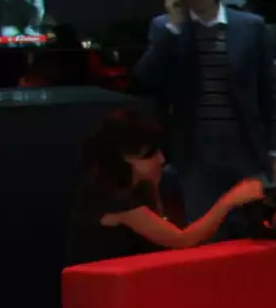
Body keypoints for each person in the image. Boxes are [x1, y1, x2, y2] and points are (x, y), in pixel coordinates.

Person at [134, 0, 276, 233]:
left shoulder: (250, 27)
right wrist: (173, 28)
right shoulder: (167, 28)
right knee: (206, 234)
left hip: (246, 150)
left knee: (253, 232)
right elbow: (145, 78)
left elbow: (270, 95)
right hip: (195, 155)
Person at [65, 108, 264, 266]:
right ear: (125, 158)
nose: (161, 159)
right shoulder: (109, 198)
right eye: (150, 154)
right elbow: (182, 240)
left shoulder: (140, 190)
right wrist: (229, 201)